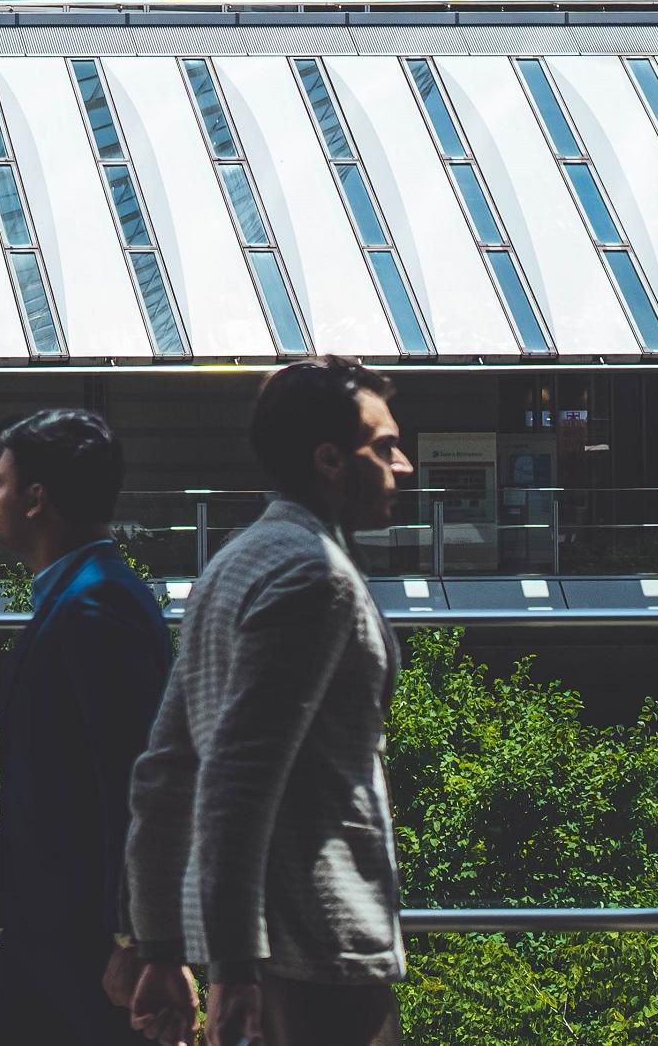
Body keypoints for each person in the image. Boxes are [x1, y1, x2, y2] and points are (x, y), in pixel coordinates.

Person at [117, 356, 417, 1046]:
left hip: (271, 955)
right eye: (385, 448)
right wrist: (234, 970)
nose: (404, 466)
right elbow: (236, 782)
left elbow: (166, 769)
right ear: (331, 460)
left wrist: (158, 943)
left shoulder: (235, 561)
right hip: (316, 954)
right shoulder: (317, 577)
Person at [0, 408, 173, 1046]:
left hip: (82, 938)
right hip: (50, 928)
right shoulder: (79, 597)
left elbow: (136, 780)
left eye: (0, 482)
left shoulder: (96, 606)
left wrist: (137, 936)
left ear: (37, 499)